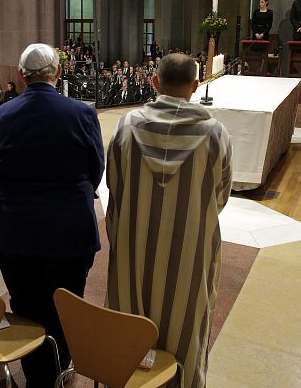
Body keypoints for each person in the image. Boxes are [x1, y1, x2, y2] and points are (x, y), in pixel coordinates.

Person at [105, 53, 232, 388]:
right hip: (188, 253)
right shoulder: (215, 133)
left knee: (131, 317)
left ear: (155, 81)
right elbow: (220, 196)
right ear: (195, 85)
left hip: (135, 247)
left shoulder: (128, 125)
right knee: (185, 321)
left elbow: (114, 187)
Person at [0, 43, 104, 384]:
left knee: (25, 303)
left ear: (21, 77)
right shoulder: (82, 113)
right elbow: (95, 169)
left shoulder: (1, 115)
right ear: (57, 72)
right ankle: (60, 366)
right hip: (69, 230)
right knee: (66, 304)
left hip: (15, 231)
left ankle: (36, 372)